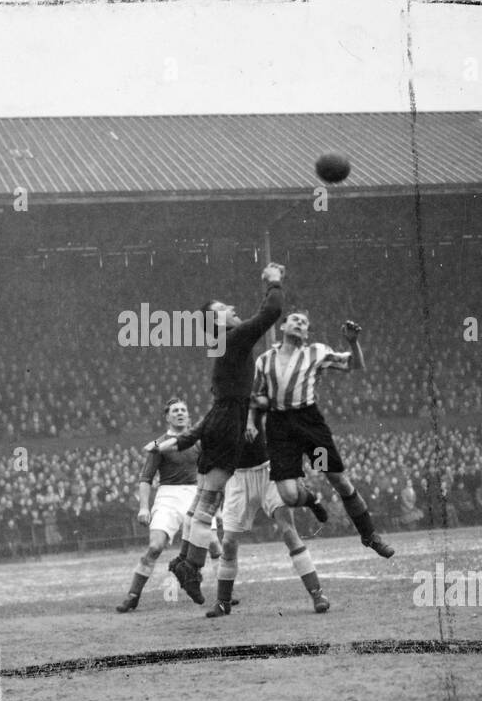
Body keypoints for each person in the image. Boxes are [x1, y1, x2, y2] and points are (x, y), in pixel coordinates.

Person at [149, 262, 286, 605]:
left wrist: (183, 439)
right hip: (228, 424)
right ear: (217, 321)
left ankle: (185, 562)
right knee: (209, 503)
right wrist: (273, 282)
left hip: (221, 420)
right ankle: (190, 568)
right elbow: (271, 312)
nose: (233, 308)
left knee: (201, 502)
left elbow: (214, 409)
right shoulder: (233, 339)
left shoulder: (225, 343)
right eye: (225, 308)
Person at [247, 312, 396, 559]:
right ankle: (311, 500)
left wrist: (352, 343)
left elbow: (354, 365)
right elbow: (255, 397)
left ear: (307, 333)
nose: (299, 323)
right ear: (283, 326)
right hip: (280, 429)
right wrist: (251, 422)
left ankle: (369, 535)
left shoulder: (316, 352)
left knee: (337, 479)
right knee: (289, 496)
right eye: (295, 320)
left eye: (304, 323)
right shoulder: (264, 361)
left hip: (308, 426)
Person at [204, 426, 329, 617]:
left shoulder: (260, 409)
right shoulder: (221, 415)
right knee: (228, 543)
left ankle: (317, 595)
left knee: (288, 532)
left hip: (268, 471)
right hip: (237, 477)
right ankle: (223, 602)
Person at [116, 396, 223, 612]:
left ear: (189, 415)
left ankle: (225, 595)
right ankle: (133, 595)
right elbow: (146, 478)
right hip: (168, 496)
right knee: (155, 546)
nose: (180, 413)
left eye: (183, 410)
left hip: (196, 493)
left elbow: (210, 473)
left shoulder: (199, 442)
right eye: (175, 411)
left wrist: (217, 509)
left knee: (213, 543)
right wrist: (144, 507)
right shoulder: (159, 444)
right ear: (167, 417)